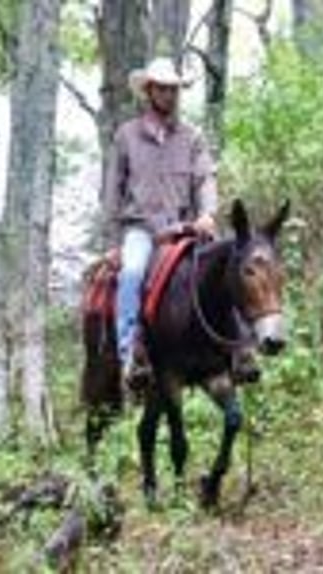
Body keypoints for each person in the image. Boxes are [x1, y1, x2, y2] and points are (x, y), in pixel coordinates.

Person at [103, 58, 218, 387]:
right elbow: (113, 191)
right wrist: (113, 242)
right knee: (133, 273)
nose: (169, 95)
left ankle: (236, 351)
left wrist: (208, 213)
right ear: (149, 91)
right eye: (163, 88)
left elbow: (206, 178)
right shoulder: (126, 136)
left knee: (229, 265)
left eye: (174, 89)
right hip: (142, 230)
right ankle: (129, 355)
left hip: (185, 227)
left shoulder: (192, 136)